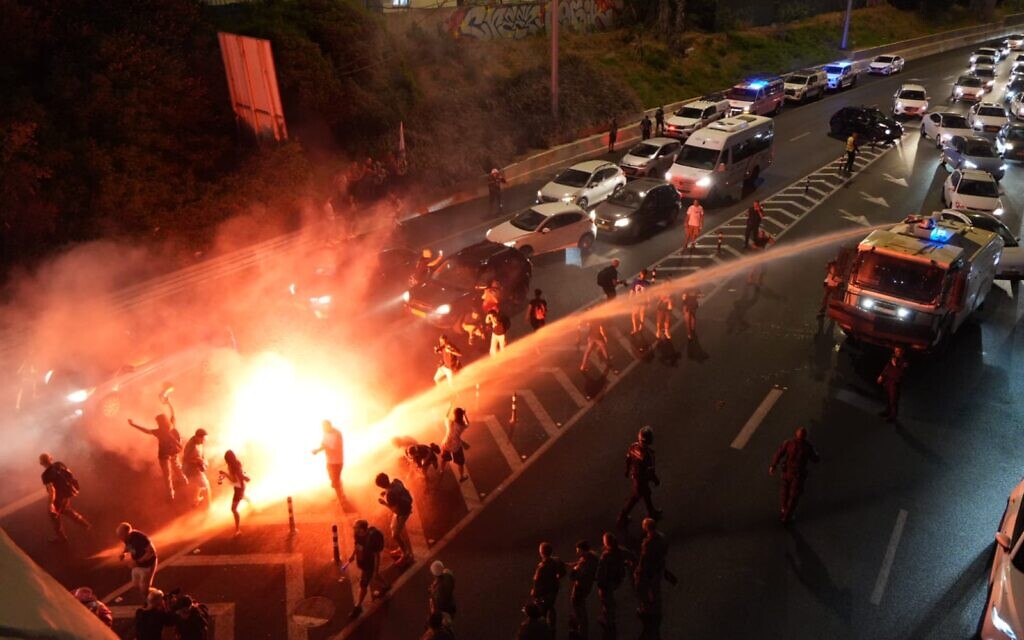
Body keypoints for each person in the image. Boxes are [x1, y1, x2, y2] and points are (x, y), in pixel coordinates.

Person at [128, 397, 187, 501]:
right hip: (172, 452)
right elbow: (173, 413)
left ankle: (171, 494)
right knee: (175, 468)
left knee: (167, 475)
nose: (157, 423)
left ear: (160, 423)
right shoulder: (171, 426)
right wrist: (169, 402)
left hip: (165, 455)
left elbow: (145, 430)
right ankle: (183, 482)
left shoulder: (159, 431)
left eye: (157, 422)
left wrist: (133, 425)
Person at [769, 427, 820, 523]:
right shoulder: (807, 447)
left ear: (796, 434)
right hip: (797, 475)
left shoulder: (789, 443)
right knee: (794, 495)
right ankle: (788, 514)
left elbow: (779, 453)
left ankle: (784, 509)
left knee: (784, 491)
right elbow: (815, 459)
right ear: (805, 436)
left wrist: (773, 465)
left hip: (787, 472)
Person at [617, 426, 661, 527]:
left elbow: (628, 459)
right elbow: (650, 472)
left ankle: (652, 513)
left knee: (647, 495)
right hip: (642, 480)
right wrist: (656, 480)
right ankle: (622, 517)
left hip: (636, 476)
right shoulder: (649, 455)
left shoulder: (633, 446)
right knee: (634, 499)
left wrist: (627, 470)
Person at [39, 453, 90, 542]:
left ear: (41, 463)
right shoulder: (59, 464)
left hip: (59, 497)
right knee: (67, 510)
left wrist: (51, 504)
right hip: (67, 493)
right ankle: (85, 525)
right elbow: (70, 475)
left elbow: (52, 490)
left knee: (54, 515)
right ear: (51, 458)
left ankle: (61, 538)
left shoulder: (45, 475)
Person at [350, 519, 390, 619]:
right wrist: (352, 555)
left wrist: (375, 570)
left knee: (363, 584)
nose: (354, 529)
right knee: (375, 577)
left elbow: (377, 556)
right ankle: (386, 585)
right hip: (363, 562)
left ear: (363, 530)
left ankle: (358, 606)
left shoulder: (372, 539)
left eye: (357, 528)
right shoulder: (357, 535)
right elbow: (357, 545)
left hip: (369, 564)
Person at [635, 518, 668, 639]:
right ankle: (656, 608)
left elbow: (644, 558)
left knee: (644, 589)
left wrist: (639, 570)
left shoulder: (648, 542)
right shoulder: (663, 537)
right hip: (658, 567)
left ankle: (647, 610)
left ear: (646, 527)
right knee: (655, 587)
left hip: (649, 569)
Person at [596, 532, 630, 638]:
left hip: (607, 581)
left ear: (606, 543)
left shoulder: (606, 555)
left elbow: (600, 571)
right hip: (616, 580)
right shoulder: (622, 551)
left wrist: (598, 581)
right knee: (608, 599)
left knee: (606, 600)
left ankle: (609, 622)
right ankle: (610, 616)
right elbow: (633, 558)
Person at [376, 472, 414, 567]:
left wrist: (384, 503)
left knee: (395, 535)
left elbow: (395, 510)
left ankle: (406, 554)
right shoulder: (396, 481)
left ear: (381, 486)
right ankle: (401, 549)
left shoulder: (390, 495)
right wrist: (386, 492)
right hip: (406, 507)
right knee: (393, 528)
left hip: (402, 513)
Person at [531, 542, 567, 630]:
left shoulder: (542, 567)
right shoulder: (556, 561)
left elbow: (537, 582)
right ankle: (552, 629)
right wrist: (557, 577)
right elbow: (563, 571)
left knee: (542, 612)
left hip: (544, 593)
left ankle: (544, 631)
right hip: (553, 590)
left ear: (541, 552)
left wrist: (534, 593)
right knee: (551, 608)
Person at [118, 522, 158, 599]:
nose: (120, 537)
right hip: (137, 564)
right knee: (136, 584)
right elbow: (128, 546)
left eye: (121, 535)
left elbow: (151, 552)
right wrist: (124, 553)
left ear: (127, 533)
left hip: (147, 565)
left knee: (143, 589)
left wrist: (138, 562)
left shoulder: (141, 538)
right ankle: (154, 594)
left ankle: (154, 600)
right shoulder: (126, 538)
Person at [569, 540, 599, 638]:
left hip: (581, 588)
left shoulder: (585, 562)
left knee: (578, 607)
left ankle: (581, 631)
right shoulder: (591, 557)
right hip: (587, 587)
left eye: (578, 550)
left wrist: (574, 570)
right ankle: (580, 626)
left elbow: (575, 576)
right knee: (580, 606)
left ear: (582, 550)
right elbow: (579, 563)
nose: (577, 552)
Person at [312, 420, 346, 506]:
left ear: (329, 426)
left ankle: (342, 500)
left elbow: (333, 449)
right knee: (333, 480)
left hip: (337, 461)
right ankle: (341, 495)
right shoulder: (325, 433)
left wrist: (321, 449)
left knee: (335, 482)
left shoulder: (337, 434)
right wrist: (317, 450)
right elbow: (324, 444)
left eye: (324, 427)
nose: (323, 429)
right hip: (329, 461)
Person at [218, 450, 250, 536]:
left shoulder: (233, 466)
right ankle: (252, 505)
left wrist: (225, 474)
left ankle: (237, 530)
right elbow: (240, 475)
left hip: (239, 488)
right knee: (241, 497)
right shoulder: (236, 464)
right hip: (239, 487)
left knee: (233, 509)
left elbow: (234, 479)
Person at [877, 347, 908, 422]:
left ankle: (893, 416)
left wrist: (895, 365)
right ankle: (887, 411)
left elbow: (901, 374)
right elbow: (887, 367)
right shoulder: (893, 357)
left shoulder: (904, 362)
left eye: (898, 351)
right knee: (887, 397)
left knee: (893, 400)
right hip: (888, 381)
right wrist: (881, 376)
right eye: (895, 350)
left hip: (895, 383)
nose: (896, 352)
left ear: (902, 352)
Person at [182, 429, 210, 509]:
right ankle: (206, 507)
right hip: (190, 470)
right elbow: (186, 459)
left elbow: (202, 455)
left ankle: (195, 500)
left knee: (201, 484)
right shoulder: (191, 445)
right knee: (205, 485)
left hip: (197, 468)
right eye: (203, 438)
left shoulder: (200, 443)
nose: (204, 441)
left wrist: (203, 462)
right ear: (198, 437)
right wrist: (197, 462)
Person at [441, 407, 470, 482]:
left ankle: (442, 470)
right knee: (460, 462)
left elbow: (445, 416)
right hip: (456, 445)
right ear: (461, 415)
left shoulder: (449, 422)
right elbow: (468, 423)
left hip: (446, 443)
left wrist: (450, 407)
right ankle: (461, 477)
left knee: (444, 458)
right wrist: (465, 414)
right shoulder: (461, 426)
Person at [629, 269, 653, 335]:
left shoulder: (637, 281)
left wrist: (649, 302)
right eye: (642, 274)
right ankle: (637, 328)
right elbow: (632, 291)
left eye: (643, 275)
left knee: (639, 315)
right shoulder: (645, 283)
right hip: (638, 301)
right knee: (636, 315)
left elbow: (632, 291)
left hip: (641, 301)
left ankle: (637, 328)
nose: (642, 276)